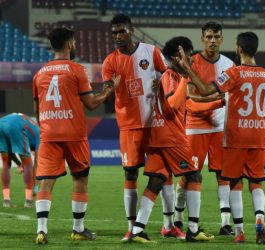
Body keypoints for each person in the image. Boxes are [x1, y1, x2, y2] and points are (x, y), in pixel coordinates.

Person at [177, 31, 265, 244]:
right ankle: (259, 220)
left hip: (235, 138)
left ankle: (240, 231)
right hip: (259, 139)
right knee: (257, 183)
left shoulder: (233, 73)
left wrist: (188, 69)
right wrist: (261, 125)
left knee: (234, 183)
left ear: (239, 48)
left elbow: (205, 90)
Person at [33, 27, 119, 244]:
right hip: (74, 134)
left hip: (49, 133)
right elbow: (90, 103)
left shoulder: (39, 74)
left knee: (46, 181)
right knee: (80, 177)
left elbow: (37, 110)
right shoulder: (77, 70)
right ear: (70, 44)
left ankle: (41, 230)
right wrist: (110, 90)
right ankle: (78, 228)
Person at [101, 14, 182, 241]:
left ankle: (168, 225)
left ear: (131, 30)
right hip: (129, 126)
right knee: (130, 172)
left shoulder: (151, 51)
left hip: (155, 123)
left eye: (121, 31)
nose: (118, 36)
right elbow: (107, 94)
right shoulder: (110, 62)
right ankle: (132, 226)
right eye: (114, 33)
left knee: (164, 173)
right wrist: (110, 88)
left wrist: (162, 81)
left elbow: (168, 74)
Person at [129, 36, 215, 243]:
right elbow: (173, 105)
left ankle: (138, 230)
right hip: (171, 137)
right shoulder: (171, 76)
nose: (193, 59)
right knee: (194, 176)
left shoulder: (170, 76)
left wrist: (216, 103)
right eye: (190, 54)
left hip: (160, 136)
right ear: (179, 56)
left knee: (156, 181)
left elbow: (185, 104)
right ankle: (193, 229)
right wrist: (185, 77)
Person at [174, 21, 235, 236]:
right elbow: (189, 102)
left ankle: (225, 223)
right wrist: (217, 100)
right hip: (194, 128)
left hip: (219, 129)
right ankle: (178, 217)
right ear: (202, 39)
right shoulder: (192, 62)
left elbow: (225, 97)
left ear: (221, 39)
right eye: (208, 37)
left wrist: (207, 98)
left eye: (216, 37)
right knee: (189, 175)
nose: (212, 41)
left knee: (223, 176)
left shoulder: (228, 64)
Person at [0, 113, 40, 208]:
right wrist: (36, 189)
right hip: (16, 125)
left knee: (6, 162)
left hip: (1, 124)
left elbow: (11, 154)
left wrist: (19, 164)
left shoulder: (34, 128)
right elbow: (37, 164)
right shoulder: (40, 136)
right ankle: (29, 200)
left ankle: (6, 200)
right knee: (28, 163)